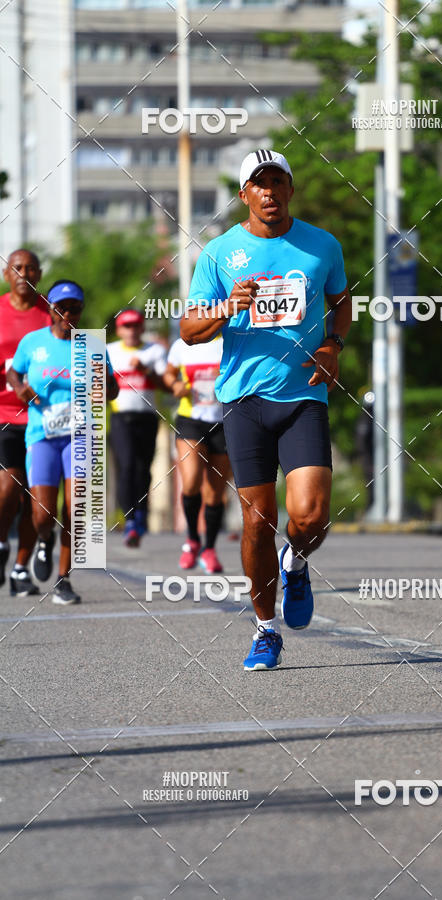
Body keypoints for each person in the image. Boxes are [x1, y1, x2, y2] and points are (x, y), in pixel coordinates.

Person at [180, 149, 352, 670]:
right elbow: (189, 331)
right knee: (258, 520)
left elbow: (341, 302)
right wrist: (226, 307)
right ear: (244, 195)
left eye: (278, 182)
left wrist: (332, 345)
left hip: (302, 396)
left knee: (312, 515)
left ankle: (295, 561)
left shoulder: (322, 245)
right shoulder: (218, 253)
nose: (269, 192)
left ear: (290, 190)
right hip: (244, 400)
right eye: (259, 184)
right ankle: (264, 629)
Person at [8, 280, 118, 605]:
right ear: (50, 308)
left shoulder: (93, 345)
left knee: (77, 507)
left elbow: (113, 388)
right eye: (62, 307)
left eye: (75, 308)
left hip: (80, 437)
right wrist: (19, 389)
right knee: (42, 515)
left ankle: (63, 579)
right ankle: (44, 539)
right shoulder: (33, 343)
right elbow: (13, 373)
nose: (68, 313)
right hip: (42, 436)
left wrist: (104, 389)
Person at [0, 249, 51, 596]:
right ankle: (2, 543)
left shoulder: (52, 312)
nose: (24, 273)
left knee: (38, 500)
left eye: (31, 268)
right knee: (9, 487)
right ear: (7, 274)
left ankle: (21, 568)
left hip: (44, 416)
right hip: (4, 415)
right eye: (17, 267)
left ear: (39, 274)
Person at [163, 334, 230, 573]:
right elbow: (169, 374)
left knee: (215, 493)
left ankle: (209, 549)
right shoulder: (182, 345)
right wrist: (174, 384)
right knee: (190, 481)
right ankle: (192, 539)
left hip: (224, 422)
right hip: (191, 420)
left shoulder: (230, 340)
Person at [107, 309, 167, 547]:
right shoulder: (109, 351)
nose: (131, 331)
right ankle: (130, 520)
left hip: (148, 417)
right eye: (126, 326)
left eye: (135, 326)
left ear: (142, 328)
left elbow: (166, 384)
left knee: (144, 469)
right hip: (121, 417)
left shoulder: (154, 351)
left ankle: (141, 513)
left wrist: (146, 371)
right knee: (127, 466)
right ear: (119, 330)